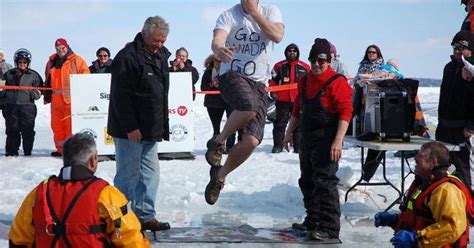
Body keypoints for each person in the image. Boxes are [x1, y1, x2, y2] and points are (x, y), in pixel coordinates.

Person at [204, 0, 284, 205]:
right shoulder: (229, 15)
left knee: (252, 141)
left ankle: (219, 177)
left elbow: (277, 36)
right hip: (232, 75)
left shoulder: (270, 11)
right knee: (247, 106)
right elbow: (217, 38)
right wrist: (219, 49)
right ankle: (219, 141)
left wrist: (255, 13)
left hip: (259, 82)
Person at [8, 133, 150, 247]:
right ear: (93, 161)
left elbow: (18, 239)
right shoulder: (106, 194)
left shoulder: (39, 193)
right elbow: (129, 238)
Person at [282, 38, 353, 241]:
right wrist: (289, 133)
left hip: (327, 138)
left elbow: (346, 112)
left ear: (329, 60)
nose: (316, 65)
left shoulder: (336, 81)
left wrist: (338, 141)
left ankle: (330, 229)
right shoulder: (305, 80)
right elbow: (297, 108)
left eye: (321, 61)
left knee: (325, 182)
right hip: (306, 135)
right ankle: (313, 221)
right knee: (307, 180)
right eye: (313, 60)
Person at [107, 16, 171, 232]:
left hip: (151, 129)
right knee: (128, 176)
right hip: (130, 131)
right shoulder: (127, 57)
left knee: (150, 174)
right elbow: (120, 96)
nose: (160, 45)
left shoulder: (161, 55)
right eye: (156, 40)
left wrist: (161, 126)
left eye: (163, 41)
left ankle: (145, 215)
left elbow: (159, 94)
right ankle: (120, 219)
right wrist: (130, 126)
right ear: (144, 34)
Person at [374, 141, 472, 248]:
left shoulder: (446, 190)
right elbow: (419, 217)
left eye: (421, 156)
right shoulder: (423, 184)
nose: (416, 158)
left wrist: (416, 238)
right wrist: (395, 220)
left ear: (433, 162)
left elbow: (453, 227)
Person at [436, 30, 474, 194]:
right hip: (445, 126)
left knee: (462, 168)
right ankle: (444, 202)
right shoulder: (449, 67)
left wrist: (471, 126)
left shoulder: (471, 68)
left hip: (462, 129)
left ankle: (467, 208)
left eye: (461, 47)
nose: (457, 51)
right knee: (443, 167)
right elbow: (443, 97)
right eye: (455, 47)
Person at [43, 38, 90, 157]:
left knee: (70, 127)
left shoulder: (77, 61)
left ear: (67, 47)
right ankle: (60, 149)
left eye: (63, 48)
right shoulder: (51, 62)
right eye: (58, 49)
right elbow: (47, 79)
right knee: (57, 126)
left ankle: (70, 151)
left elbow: (86, 78)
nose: (60, 51)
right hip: (55, 101)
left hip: (71, 100)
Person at [268, 43, 310, 153]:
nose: (292, 53)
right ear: (286, 52)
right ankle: (278, 146)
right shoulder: (278, 66)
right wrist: (273, 92)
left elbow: (310, 83)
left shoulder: (305, 67)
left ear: (298, 53)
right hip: (282, 100)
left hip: (298, 100)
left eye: (294, 51)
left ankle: (298, 147)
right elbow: (272, 81)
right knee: (280, 124)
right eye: (290, 51)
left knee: (298, 124)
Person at [1, 48, 43, 156]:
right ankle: (11, 151)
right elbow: (2, 89)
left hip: (27, 106)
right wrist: (3, 99)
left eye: (25, 62)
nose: (22, 64)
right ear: (16, 62)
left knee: (28, 130)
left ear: (28, 63)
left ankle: (27, 151)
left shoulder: (34, 75)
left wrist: (34, 94)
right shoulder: (9, 74)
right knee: (12, 130)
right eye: (20, 62)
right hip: (11, 106)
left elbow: (41, 90)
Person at [201, 54, 236, 153]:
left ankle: (230, 146)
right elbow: (204, 88)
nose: (218, 64)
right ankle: (216, 146)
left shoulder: (229, 71)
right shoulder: (208, 72)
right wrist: (213, 86)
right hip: (212, 103)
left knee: (231, 124)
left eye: (221, 62)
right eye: (216, 62)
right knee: (216, 128)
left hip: (228, 101)